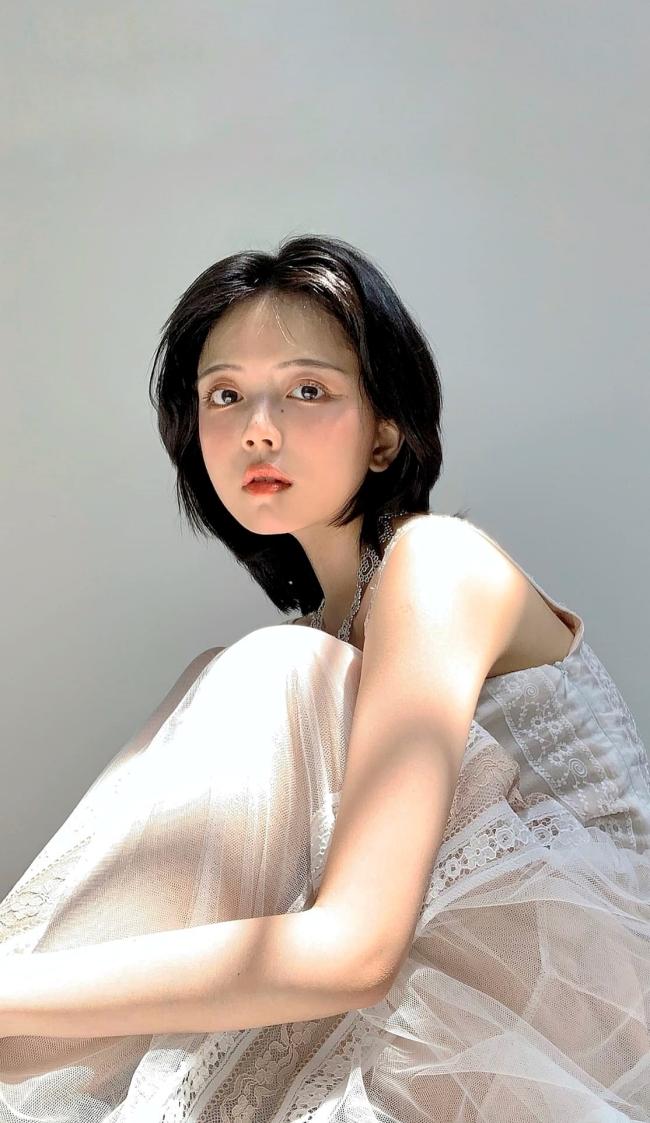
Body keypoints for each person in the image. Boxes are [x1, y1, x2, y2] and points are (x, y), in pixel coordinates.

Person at [0, 234, 649, 1122]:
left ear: (385, 434)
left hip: (588, 1003)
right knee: (240, 673)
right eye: (225, 394)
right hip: (422, 999)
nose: (258, 427)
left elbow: (354, 949)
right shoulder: (300, 657)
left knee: (274, 673)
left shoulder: (439, 564)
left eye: (307, 390)